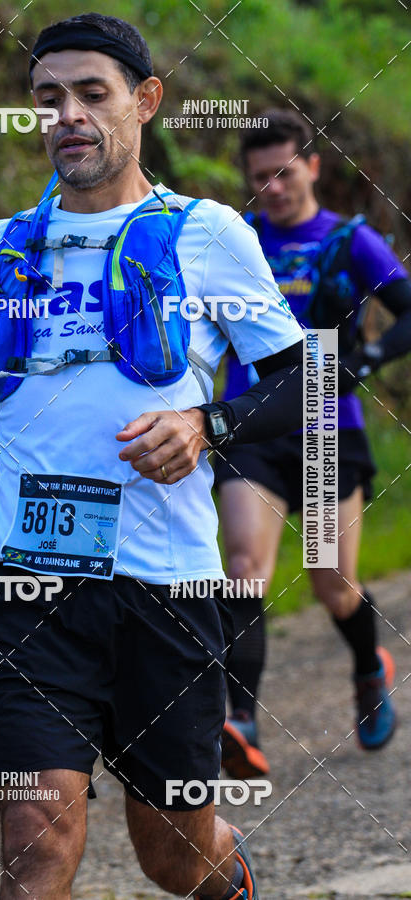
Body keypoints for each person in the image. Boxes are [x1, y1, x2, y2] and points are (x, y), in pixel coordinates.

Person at [0, 17, 305, 899]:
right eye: (47, 98)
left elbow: (303, 380)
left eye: (91, 94)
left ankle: (234, 876)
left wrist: (206, 423)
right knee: (34, 840)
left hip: (165, 593)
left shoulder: (208, 233)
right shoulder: (3, 246)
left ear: (145, 102)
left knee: (175, 859)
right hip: (21, 592)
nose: (66, 114)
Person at [215, 108, 411, 780]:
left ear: (313, 166)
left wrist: (373, 354)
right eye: (259, 178)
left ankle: (367, 666)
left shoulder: (350, 241)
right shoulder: (237, 242)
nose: (272, 188)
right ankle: (239, 721)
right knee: (244, 566)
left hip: (328, 433)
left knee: (334, 586)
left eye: (284, 172)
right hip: (253, 431)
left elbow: (407, 306)